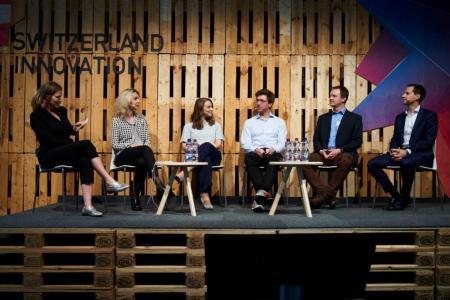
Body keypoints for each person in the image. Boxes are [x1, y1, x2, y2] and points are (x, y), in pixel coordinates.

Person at [30, 81, 129, 217]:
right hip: (49, 155)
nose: (60, 100)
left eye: (61, 96)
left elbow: (66, 131)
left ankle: (87, 206)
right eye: (57, 97)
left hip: (64, 151)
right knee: (86, 144)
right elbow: (46, 139)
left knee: (85, 160)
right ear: (47, 97)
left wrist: (74, 128)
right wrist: (69, 144)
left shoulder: (61, 111)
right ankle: (109, 181)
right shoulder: (36, 116)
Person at [368, 84, 438, 210]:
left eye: (407, 93)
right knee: (372, 164)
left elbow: (428, 141)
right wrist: (394, 150)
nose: (403, 95)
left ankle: (404, 199)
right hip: (401, 152)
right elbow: (395, 138)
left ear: (417, 96)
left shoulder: (429, 116)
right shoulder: (400, 117)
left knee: (406, 162)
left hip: (421, 153)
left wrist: (407, 151)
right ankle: (396, 195)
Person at [303, 86, 362, 209]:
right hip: (324, 153)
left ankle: (322, 195)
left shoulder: (355, 119)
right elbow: (316, 140)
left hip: (343, 152)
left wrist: (340, 149)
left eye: (334, 96)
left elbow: (357, 141)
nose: (330, 98)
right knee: (304, 161)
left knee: (346, 160)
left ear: (343, 99)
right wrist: (321, 150)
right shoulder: (323, 118)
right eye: (330, 95)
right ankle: (328, 194)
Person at [111, 88, 166, 211]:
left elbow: (147, 140)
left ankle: (135, 196)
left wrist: (140, 147)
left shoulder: (141, 118)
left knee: (141, 162)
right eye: (135, 99)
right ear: (127, 100)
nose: (138, 101)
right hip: (123, 155)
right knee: (144, 149)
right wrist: (130, 146)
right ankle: (157, 181)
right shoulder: (117, 120)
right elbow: (115, 144)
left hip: (140, 154)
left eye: (138, 98)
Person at [173, 98, 224, 209]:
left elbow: (218, 144)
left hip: (214, 155)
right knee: (206, 159)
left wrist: (204, 147)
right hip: (195, 155)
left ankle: (187, 169)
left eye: (212, 106)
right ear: (200, 109)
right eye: (208, 107)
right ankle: (205, 195)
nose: (212, 109)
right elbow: (184, 146)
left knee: (206, 146)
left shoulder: (216, 125)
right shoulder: (188, 126)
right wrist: (198, 150)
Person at [241, 88, 287, 212]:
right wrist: (255, 149)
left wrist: (274, 149)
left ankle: (259, 198)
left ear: (270, 104)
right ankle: (265, 193)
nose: (258, 103)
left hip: (272, 153)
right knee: (249, 157)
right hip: (256, 153)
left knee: (275, 157)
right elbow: (244, 143)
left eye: (262, 101)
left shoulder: (279, 122)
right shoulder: (249, 122)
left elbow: (282, 143)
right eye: (257, 100)